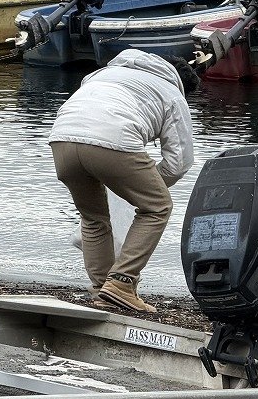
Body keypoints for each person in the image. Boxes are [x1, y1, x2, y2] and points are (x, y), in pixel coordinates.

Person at [49, 49, 196, 313]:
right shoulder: (173, 93)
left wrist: (129, 186)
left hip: (61, 139)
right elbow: (178, 163)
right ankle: (121, 283)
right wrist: (139, 190)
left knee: (93, 218)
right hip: (113, 140)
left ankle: (102, 291)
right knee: (157, 207)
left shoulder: (101, 74)